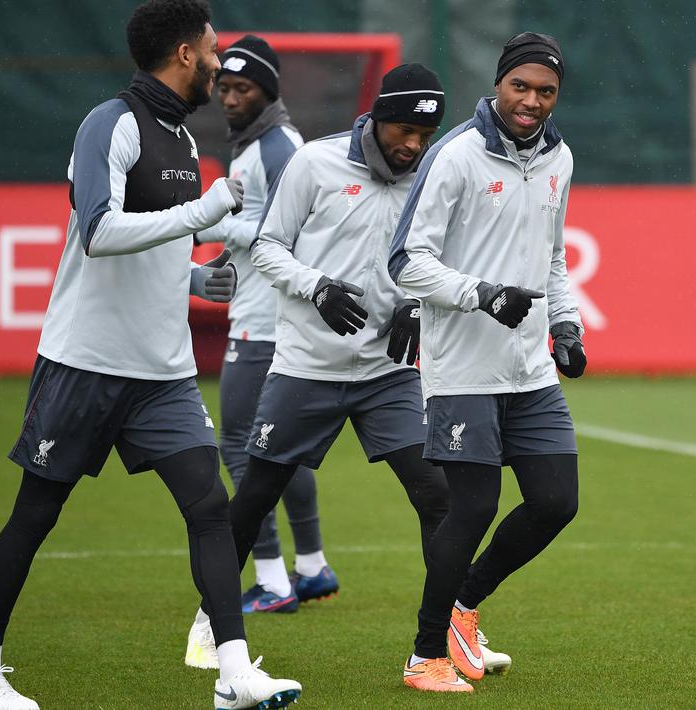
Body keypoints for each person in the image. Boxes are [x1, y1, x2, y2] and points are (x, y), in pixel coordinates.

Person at [0, 2, 301, 709]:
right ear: (181, 53)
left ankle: (233, 674)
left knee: (209, 505)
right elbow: (100, 233)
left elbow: (158, 243)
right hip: (83, 363)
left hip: (162, 373)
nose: (219, 62)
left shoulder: (180, 136)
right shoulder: (108, 123)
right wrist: (202, 215)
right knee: (35, 515)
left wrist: (198, 277)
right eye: (211, 50)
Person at [186, 62, 517, 676]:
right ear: (378, 116)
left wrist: (415, 308)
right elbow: (266, 245)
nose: (413, 145)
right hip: (307, 367)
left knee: (439, 498)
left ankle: (448, 636)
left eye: (425, 134)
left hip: (388, 373)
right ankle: (210, 620)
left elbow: (440, 258)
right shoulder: (314, 162)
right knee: (257, 494)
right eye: (403, 131)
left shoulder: (434, 174)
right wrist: (317, 288)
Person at [388, 32, 586, 694]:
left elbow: (553, 256)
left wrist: (565, 325)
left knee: (556, 501)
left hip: (530, 371)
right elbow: (406, 260)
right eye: (520, 87)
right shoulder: (455, 157)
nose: (531, 102)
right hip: (462, 369)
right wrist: (481, 295)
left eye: (545, 91)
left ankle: (462, 609)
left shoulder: (559, 158)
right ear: (498, 84)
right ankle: (424, 657)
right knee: (470, 510)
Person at [193, 33, 337, 619]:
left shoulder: (275, 147)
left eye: (242, 87)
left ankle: (272, 579)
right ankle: (310, 567)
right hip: (273, 314)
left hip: (265, 318)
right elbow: (257, 225)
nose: (229, 97)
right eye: (223, 87)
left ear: (268, 91)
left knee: (240, 444)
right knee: (283, 451)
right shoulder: (265, 142)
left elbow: (292, 235)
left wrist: (217, 226)